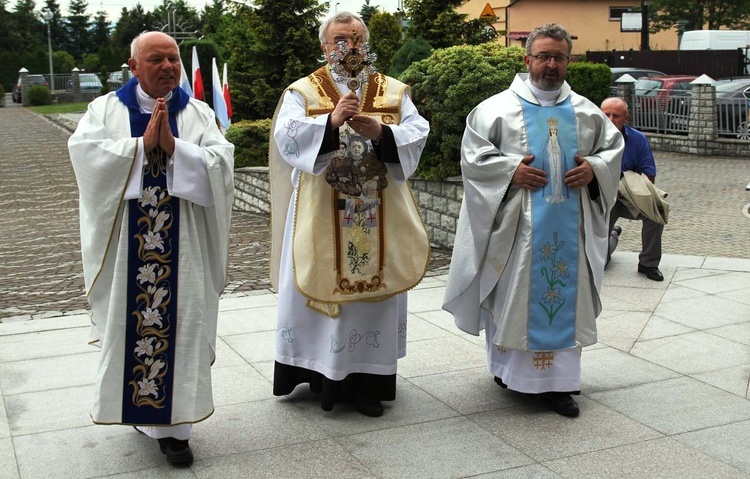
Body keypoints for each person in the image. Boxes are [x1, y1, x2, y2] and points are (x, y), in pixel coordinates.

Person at [68, 31, 234, 466]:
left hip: (186, 250)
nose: (167, 67)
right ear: (133, 67)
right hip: (128, 251)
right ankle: (140, 414)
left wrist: (176, 148)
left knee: (184, 325)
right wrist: (140, 148)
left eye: (173, 59)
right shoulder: (103, 110)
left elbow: (222, 163)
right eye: (156, 59)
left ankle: (175, 430)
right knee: (133, 327)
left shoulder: (197, 112)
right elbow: (85, 155)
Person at [442, 23, 623, 418]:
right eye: (543, 56)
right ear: (527, 60)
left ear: (568, 61)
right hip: (516, 233)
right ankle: (507, 371)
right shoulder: (495, 110)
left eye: (559, 56)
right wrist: (510, 173)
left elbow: (612, 152)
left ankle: (559, 386)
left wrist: (594, 169)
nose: (551, 64)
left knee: (561, 299)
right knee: (512, 298)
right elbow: (473, 159)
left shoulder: (587, 113)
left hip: (568, 228)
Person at [269, 11, 430, 418]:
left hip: (379, 215)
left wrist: (383, 134)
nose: (348, 48)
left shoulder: (392, 91)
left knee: (371, 298)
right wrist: (329, 123)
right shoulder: (304, 91)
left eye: (356, 39)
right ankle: (319, 375)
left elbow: (417, 131)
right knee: (319, 280)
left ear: (368, 44)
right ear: (324, 46)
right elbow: (285, 136)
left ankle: (367, 383)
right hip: (319, 213)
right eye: (340, 40)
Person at [600, 97, 665, 281]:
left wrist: (626, 188)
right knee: (600, 262)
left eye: (616, 116)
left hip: (631, 197)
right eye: (606, 115)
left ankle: (648, 264)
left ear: (626, 118)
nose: (611, 120)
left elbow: (649, 176)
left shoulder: (638, 139)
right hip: (603, 200)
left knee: (656, 212)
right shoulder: (589, 138)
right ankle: (613, 235)